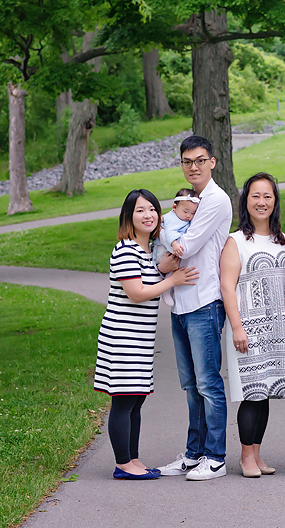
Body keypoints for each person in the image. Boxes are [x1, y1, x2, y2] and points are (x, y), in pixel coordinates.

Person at [94, 189, 198, 480]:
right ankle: (122, 464)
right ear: (129, 216)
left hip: (138, 339)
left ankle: (132, 460)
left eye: (152, 209)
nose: (148, 215)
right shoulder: (125, 248)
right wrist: (172, 279)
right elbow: (136, 293)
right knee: (125, 400)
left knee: (136, 399)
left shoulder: (142, 252)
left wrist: (159, 269)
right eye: (140, 210)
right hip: (122, 338)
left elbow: (144, 278)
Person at [156, 136, 233, 481]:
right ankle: (193, 453)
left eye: (199, 160)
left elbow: (184, 248)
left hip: (204, 301)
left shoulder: (215, 200)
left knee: (208, 384)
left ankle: (215, 457)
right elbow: (167, 240)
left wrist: (166, 249)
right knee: (190, 385)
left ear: (212, 162)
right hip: (181, 306)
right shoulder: (188, 200)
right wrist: (166, 258)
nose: (193, 167)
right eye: (187, 162)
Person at [220, 173, 285, 478]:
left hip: (277, 332)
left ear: (275, 202)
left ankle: (257, 454)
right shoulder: (236, 241)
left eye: (268, 196)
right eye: (255, 196)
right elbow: (226, 286)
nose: (262, 202)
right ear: (245, 201)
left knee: (266, 393)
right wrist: (237, 327)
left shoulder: (283, 240)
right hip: (246, 331)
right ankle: (245, 456)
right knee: (251, 393)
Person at [152, 188, 199, 307]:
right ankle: (166, 291)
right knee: (170, 269)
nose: (188, 216)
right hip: (163, 249)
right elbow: (169, 233)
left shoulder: (179, 217)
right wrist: (174, 244)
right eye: (185, 211)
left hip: (169, 246)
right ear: (174, 207)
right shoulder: (173, 219)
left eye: (193, 213)